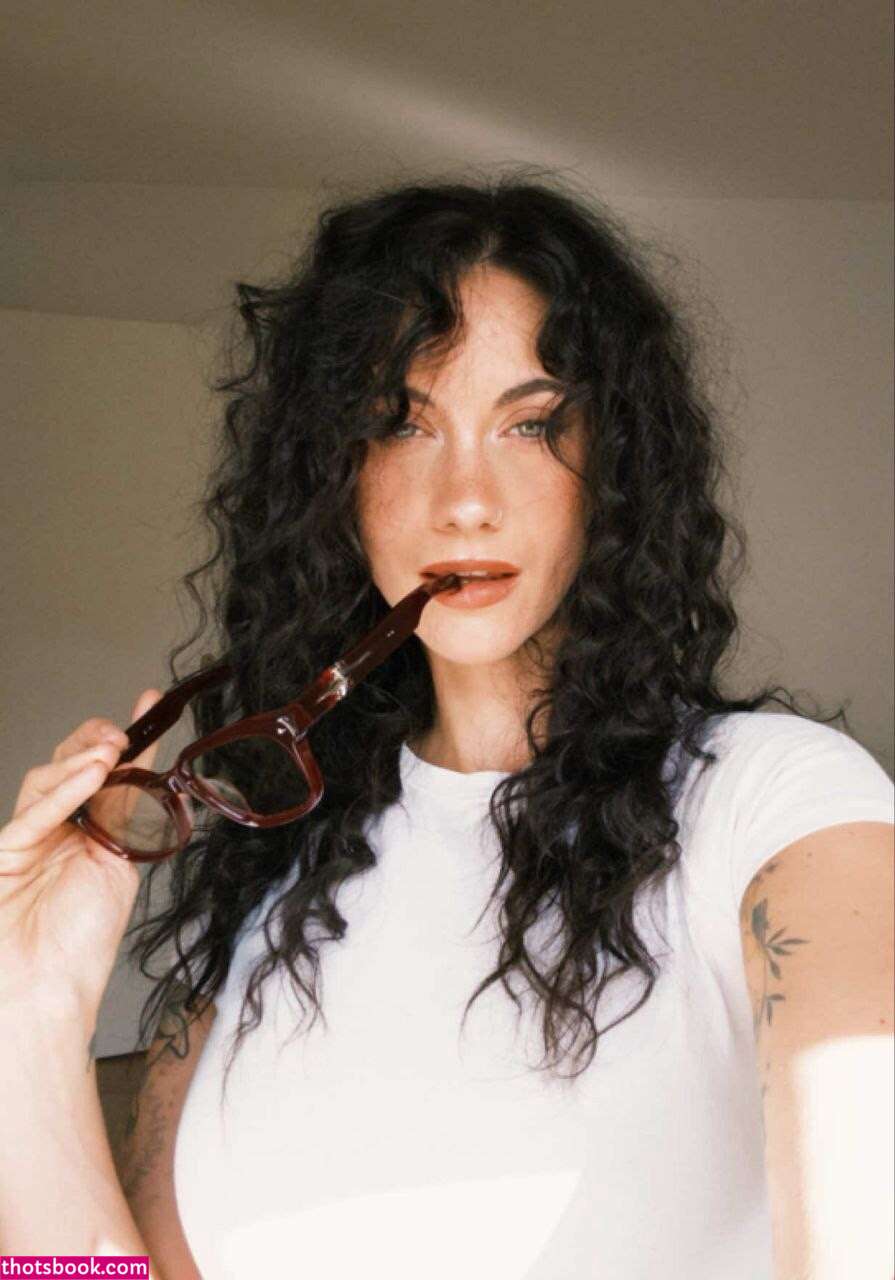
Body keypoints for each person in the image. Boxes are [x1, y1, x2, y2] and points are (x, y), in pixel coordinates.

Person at [1, 174, 892, 1280]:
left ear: (614, 469)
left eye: (531, 424)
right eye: (403, 423)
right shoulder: (271, 888)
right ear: (331, 475)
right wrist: (28, 1008)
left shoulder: (778, 808)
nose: (465, 498)